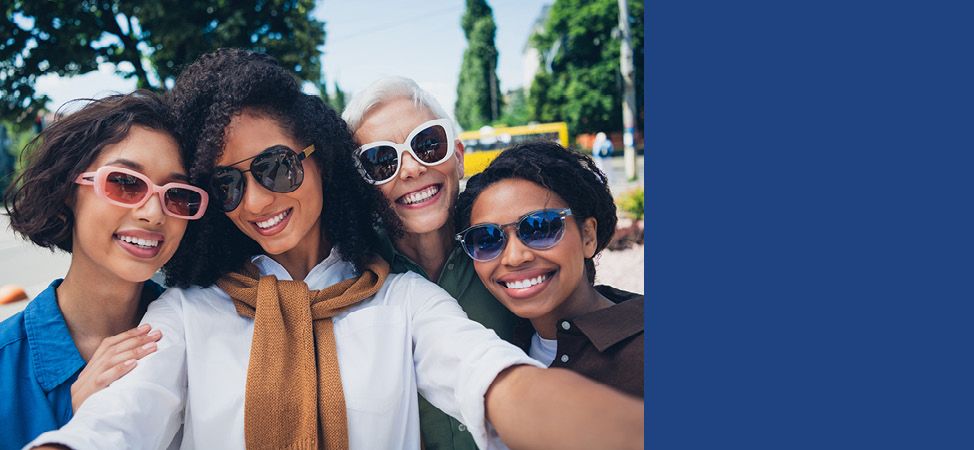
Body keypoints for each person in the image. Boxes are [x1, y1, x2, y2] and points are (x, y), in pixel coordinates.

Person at [27, 49, 641, 450]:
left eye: (275, 167)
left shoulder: (399, 298)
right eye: (228, 183)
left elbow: (495, 380)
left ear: (320, 158)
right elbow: (118, 424)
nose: (258, 200)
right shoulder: (186, 314)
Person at [0, 91, 209, 449]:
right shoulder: (6, 364)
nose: (154, 213)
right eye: (126, 183)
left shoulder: (207, 336)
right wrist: (78, 425)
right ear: (69, 189)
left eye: (176, 195)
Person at [340, 75, 529, 450]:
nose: (410, 169)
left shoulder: (513, 248)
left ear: (457, 158)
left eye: (427, 145)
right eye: (381, 161)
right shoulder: (349, 277)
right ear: (363, 187)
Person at [455, 141, 643, 398]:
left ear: (588, 236)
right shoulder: (500, 348)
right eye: (487, 239)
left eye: (540, 228)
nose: (514, 257)